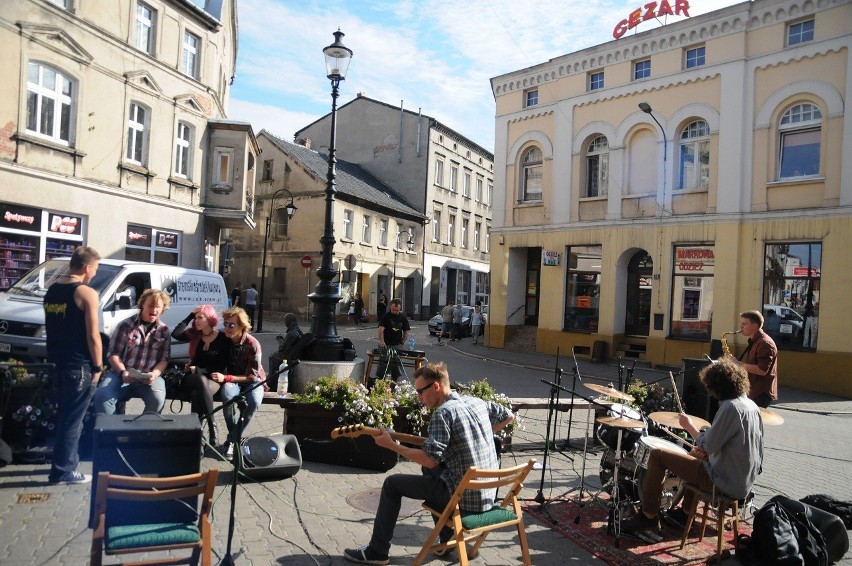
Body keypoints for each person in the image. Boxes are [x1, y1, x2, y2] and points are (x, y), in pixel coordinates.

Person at [344, 362, 514, 565]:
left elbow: (429, 459)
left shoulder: (443, 414)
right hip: (487, 495)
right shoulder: (475, 402)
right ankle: (447, 537)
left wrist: (392, 445)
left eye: (420, 392)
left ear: (435, 386)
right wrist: (482, 435)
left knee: (392, 484)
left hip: (464, 497)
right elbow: (508, 415)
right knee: (428, 470)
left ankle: (377, 552)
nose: (419, 398)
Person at [622, 357, 764, 534]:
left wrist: (689, 426)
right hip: (743, 482)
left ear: (718, 386)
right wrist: (710, 454)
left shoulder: (730, 408)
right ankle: (684, 514)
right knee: (694, 454)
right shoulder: (752, 406)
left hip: (724, 482)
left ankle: (648, 517)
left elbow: (707, 445)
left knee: (658, 455)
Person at [43, 246, 102, 485]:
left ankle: (64, 464)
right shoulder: (86, 293)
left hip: (57, 362)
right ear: (87, 267)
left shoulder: (52, 290)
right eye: (95, 269)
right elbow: (93, 335)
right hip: (79, 366)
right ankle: (64, 471)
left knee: (64, 417)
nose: (95, 274)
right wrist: (98, 367)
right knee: (73, 421)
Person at [94, 289, 171, 415]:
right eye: (151, 306)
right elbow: (113, 354)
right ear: (142, 305)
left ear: (163, 309)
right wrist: (123, 372)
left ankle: (143, 432)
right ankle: (112, 431)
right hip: (122, 374)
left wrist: (154, 374)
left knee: (158, 400)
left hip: (148, 377)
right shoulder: (125, 325)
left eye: (158, 307)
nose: (154, 310)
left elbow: (164, 359)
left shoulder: (164, 330)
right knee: (102, 396)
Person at [171, 305, 230, 450]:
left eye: (200, 317)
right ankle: (212, 425)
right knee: (200, 381)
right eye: (195, 318)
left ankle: (197, 435)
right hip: (192, 378)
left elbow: (221, 365)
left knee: (199, 393)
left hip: (213, 378)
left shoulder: (222, 338)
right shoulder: (194, 334)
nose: (196, 321)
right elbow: (176, 333)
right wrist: (190, 315)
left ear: (209, 318)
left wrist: (199, 369)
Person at [213, 306, 265, 457]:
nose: (227, 328)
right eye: (225, 324)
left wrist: (227, 378)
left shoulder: (252, 344)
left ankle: (231, 440)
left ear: (241, 326)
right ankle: (234, 439)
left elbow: (252, 377)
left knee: (254, 401)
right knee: (227, 396)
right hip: (233, 381)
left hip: (253, 380)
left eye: (231, 325)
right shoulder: (225, 341)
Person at [737, 310, 779, 408]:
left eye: (744, 324)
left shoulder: (765, 343)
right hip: (753, 390)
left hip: (760, 393)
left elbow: (762, 370)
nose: (741, 327)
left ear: (754, 326)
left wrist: (738, 364)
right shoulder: (755, 341)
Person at [376, 298, 410, 382]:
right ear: (390, 308)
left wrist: (402, 342)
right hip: (386, 344)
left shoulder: (403, 318)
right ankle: (381, 381)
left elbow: (406, 332)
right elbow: (381, 330)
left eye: (397, 310)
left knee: (396, 366)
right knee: (383, 365)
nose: (395, 312)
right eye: (393, 310)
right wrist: (382, 342)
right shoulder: (386, 316)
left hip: (397, 345)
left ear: (400, 309)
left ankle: (395, 381)